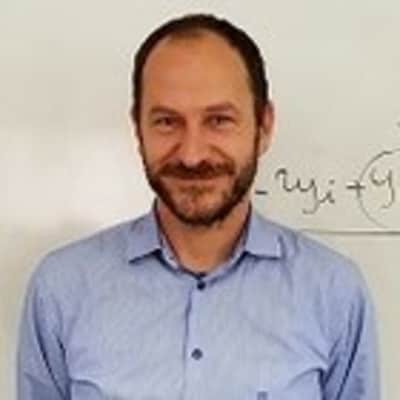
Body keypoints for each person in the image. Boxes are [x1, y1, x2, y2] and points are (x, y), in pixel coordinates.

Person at [17, 13, 380, 400]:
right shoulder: (61, 290)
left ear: (264, 126)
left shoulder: (334, 293)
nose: (192, 155)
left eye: (219, 120)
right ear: (138, 129)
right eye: (166, 122)